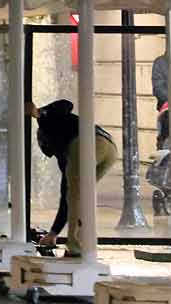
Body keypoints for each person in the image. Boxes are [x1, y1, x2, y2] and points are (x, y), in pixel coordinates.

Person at [31, 99, 118, 256]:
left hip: (87, 143)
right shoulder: (64, 153)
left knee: (75, 196)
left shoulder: (48, 124)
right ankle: (85, 243)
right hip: (109, 148)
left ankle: (76, 247)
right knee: (79, 196)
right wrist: (53, 233)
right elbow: (66, 198)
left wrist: (39, 112)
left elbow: (66, 104)